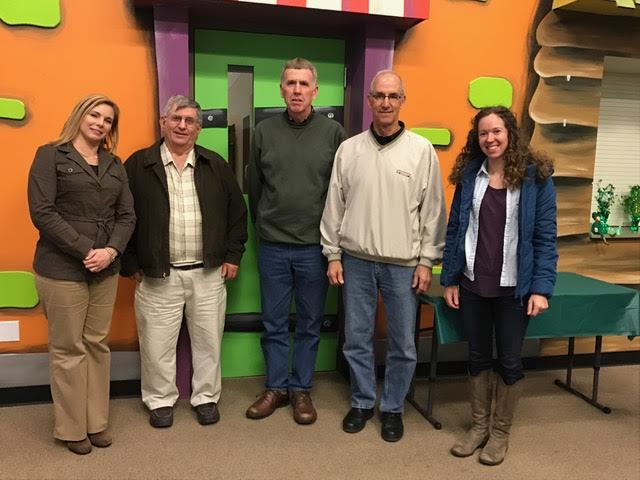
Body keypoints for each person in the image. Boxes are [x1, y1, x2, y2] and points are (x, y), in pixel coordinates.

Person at [320, 70, 447, 442]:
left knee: (403, 344)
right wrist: (333, 254)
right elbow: (334, 205)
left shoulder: (420, 150)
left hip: (403, 265)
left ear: (402, 100)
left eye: (393, 96)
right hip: (355, 260)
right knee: (356, 338)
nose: (386, 102)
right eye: (379, 95)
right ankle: (362, 402)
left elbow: (433, 211)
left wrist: (427, 261)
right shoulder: (350, 150)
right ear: (370, 100)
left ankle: (392, 408)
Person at [121, 95, 247, 429]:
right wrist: (129, 261)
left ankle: (206, 398)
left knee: (208, 342)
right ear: (163, 122)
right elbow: (120, 215)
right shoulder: (138, 165)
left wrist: (233, 255)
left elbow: (237, 214)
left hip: (208, 273)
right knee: (156, 344)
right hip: (157, 275)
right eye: (176, 118)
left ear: (198, 129)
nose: (182, 126)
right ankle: (160, 401)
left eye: (190, 120)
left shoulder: (215, 165)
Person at [440, 106, 557, 466]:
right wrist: (450, 278)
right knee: (477, 356)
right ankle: (479, 427)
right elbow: (456, 230)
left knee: (509, 360)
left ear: (510, 134)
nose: (489, 139)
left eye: (496, 132)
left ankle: (500, 433)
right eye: (483, 133)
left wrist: (541, 288)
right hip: (473, 284)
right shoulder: (470, 175)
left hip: (514, 289)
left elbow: (545, 238)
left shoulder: (536, 179)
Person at [28, 94, 136, 455]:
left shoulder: (114, 163)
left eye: (108, 120)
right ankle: (71, 428)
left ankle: (95, 422)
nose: (100, 123)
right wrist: (86, 250)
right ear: (80, 115)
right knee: (68, 349)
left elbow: (127, 216)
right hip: (62, 268)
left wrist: (111, 251)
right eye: (95, 115)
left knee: (96, 345)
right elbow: (43, 212)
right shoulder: (50, 155)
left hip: (105, 269)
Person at [246, 58, 345, 425]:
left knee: (309, 323)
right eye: (291, 83)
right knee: (273, 322)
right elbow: (255, 187)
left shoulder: (334, 134)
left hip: (315, 249)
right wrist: (263, 227)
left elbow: (340, 192)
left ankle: (301, 388)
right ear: (281, 89)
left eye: (304, 84)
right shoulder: (263, 132)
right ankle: (276, 387)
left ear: (315, 91)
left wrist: (333, 245)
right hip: (273, 245)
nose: (297, 90)